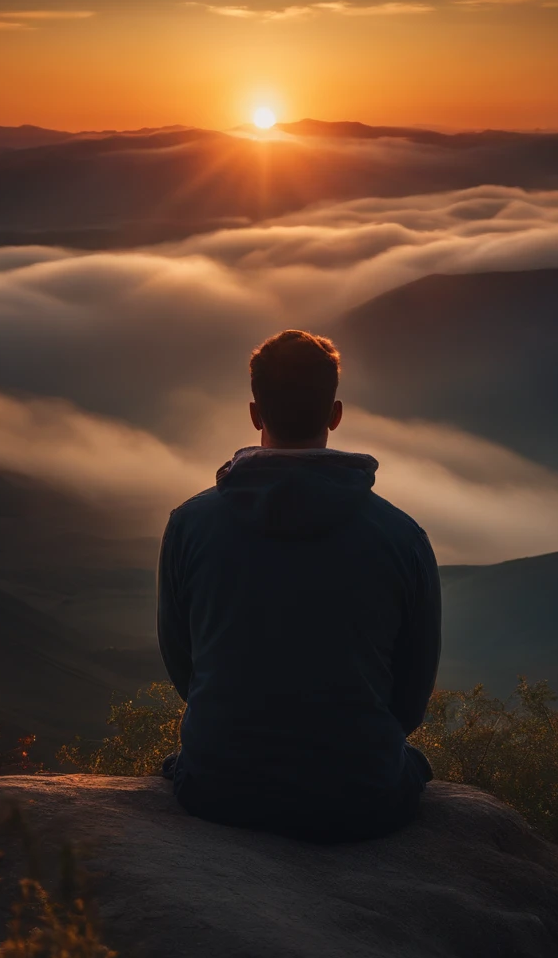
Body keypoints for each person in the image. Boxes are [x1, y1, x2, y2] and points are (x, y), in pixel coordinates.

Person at [157, 329, 441, 842]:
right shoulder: (403, 538)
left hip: (218, 789)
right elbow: (410, 697)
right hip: (362, 798)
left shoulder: (189, 525)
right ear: (334, 414)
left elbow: (184, 664)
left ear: (254, 413)